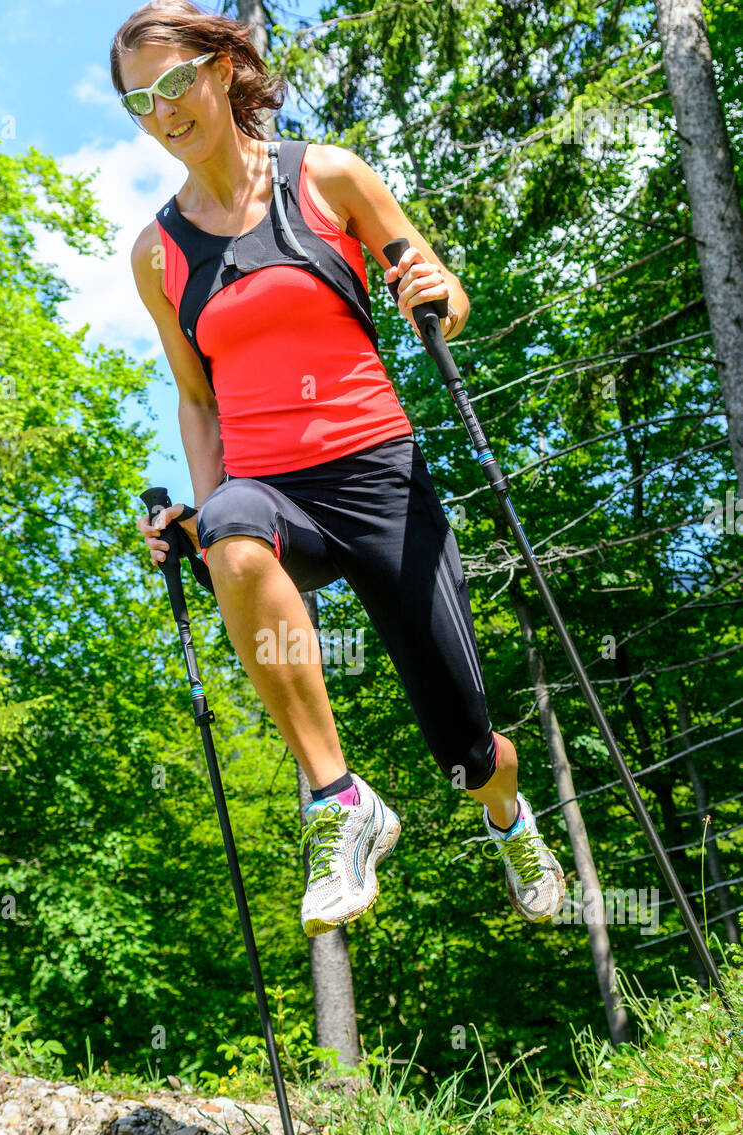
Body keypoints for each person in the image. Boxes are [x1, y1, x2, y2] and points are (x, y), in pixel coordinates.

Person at [112, 1, 566, 937]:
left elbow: (441, 290)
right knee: (231, 541)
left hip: (377, 472)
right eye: (138, 103)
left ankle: (506, 812)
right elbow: (198, 399)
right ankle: (339, 799)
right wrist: (202, 513)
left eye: (172, 83)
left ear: (223, 67)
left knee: (468, 745)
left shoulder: (326, 175)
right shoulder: (157, 254)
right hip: (273, 490)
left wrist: (438, 292)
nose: (162, 112)